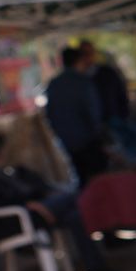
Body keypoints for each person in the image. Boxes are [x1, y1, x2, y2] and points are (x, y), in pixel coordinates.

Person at [0, 128, 115, 271]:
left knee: (75, 216)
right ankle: (98, 209)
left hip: (35, 213)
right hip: (20, 220)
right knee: (75, 198)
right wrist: (30, 205)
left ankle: (96, 267)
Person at [45, 45, 109, 185]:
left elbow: (49, 115)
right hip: (89, 141)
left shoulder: (54, 84)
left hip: (68, 141)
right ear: (79, 60)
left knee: (82, 179)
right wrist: (100, 136)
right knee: (99, 180)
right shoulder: (83, 82)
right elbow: (93, 112)